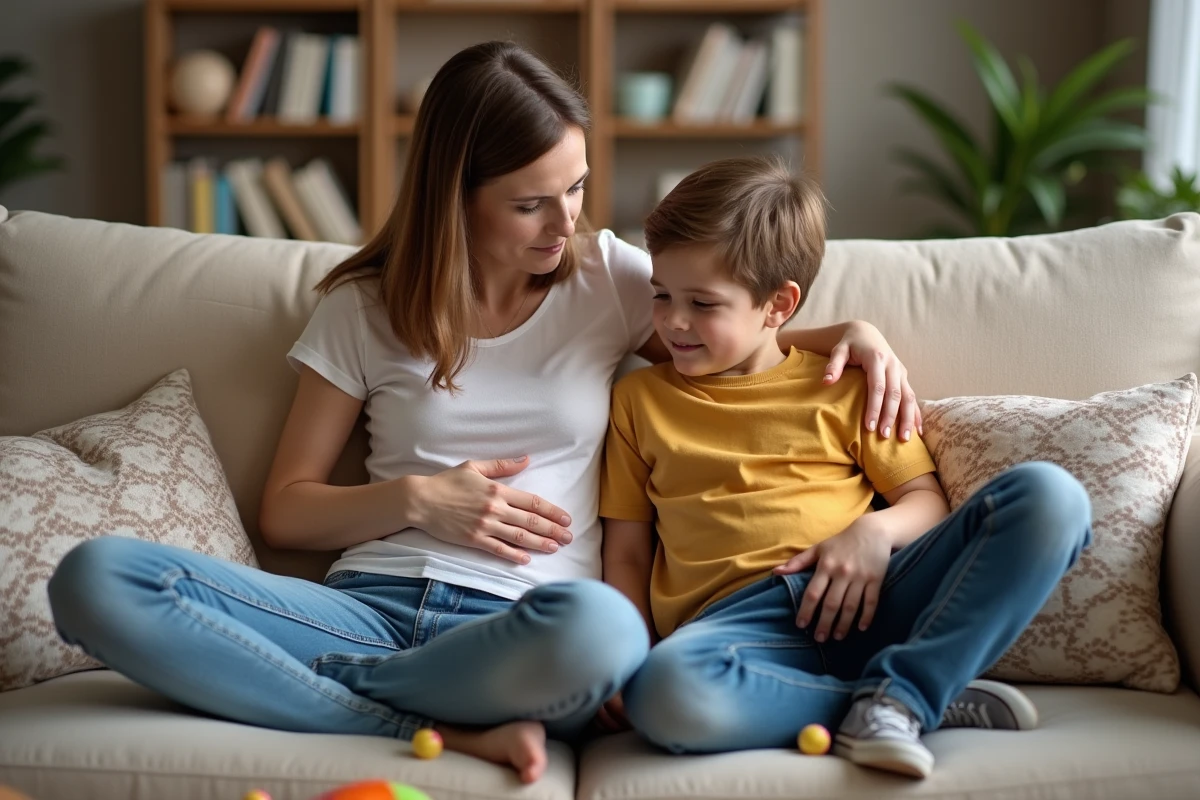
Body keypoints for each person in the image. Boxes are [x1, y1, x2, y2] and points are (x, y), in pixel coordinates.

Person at [47, 43, 922, 785]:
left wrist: (853, 332)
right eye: (530, 202)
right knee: (96, 579)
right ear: (455, 192)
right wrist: (422, 500)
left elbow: (730, 342)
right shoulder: (363, 309)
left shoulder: (610, 281)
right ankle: (410, 721)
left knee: (607, 629)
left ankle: (339, 691)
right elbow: (288, 507)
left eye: (576, 188)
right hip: (369, 605)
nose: (564, 222)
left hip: (530, 629)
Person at [598, 155, 1093, 779]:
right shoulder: (639, 401)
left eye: (702, 303)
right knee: (663, 696)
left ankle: (903, 693)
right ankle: (906, 698)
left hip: (876, 593)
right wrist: (629, 654)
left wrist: (874, 532)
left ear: (778, 305)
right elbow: (627, 552)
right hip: (739, 629)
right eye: (661, 296)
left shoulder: (843, 384)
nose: (672, 321)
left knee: (1052, 498)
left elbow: (927, 501)